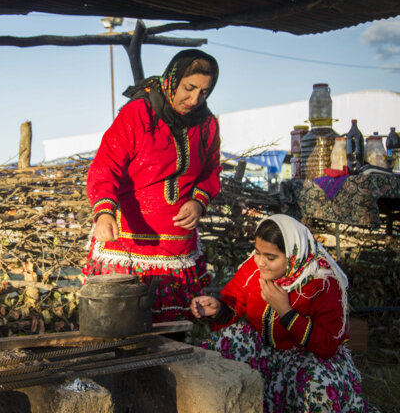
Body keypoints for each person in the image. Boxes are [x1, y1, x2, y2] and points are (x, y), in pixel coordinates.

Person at [83, 49, 221, 321]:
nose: (194, 99)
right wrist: (104, 212)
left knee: (172, 329)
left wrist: (198, 201)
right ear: (172, 78)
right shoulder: (138, 114)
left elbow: (211, 170)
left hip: (178, 248)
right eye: (189, 88)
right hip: (126, 244)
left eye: (204, 92)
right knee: (121, 326)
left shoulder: (206, 124)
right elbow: (105, 165)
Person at [191, 214, 375, 412]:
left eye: (270, 257)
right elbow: (234, 304)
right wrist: (218, 309)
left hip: (306, 357)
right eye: (257, 252)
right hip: (263, 348)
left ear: (293, 256)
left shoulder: (322, 283)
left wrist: (286, 312)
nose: (260, 262)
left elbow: (326, 345)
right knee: (212, 353)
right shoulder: (253, 269)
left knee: (318, 386)